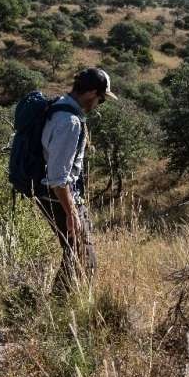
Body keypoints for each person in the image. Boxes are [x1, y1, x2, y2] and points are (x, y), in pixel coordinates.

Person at [37, 67, 117, 294]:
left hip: (55, 194)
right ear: (91, 93)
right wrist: (71, 212)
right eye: (101, 99)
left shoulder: (59, 105)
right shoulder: (70, 122)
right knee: (84, 259)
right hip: (59, 196)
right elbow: (58, 178)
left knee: (75, 254)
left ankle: (58, 304)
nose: (100, 104)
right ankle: (62, 306)